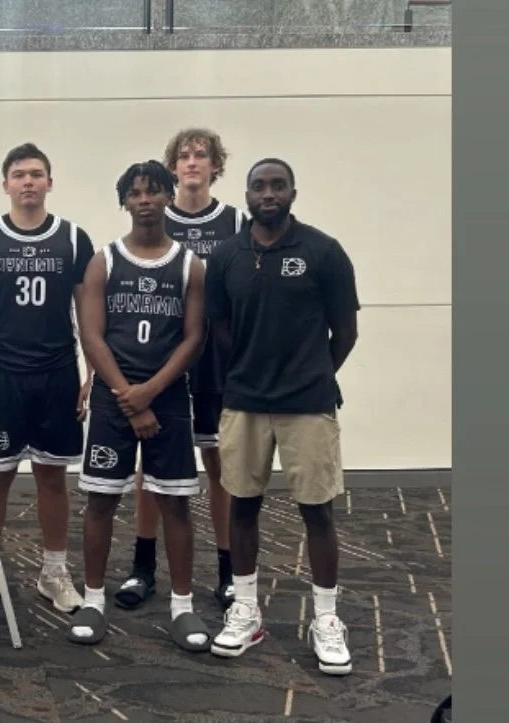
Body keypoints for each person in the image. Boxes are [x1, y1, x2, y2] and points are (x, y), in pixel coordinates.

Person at [204, 158, 359, 675]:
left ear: (293, 191)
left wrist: (311, 373)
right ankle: (245, 609)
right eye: (259, 186)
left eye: (277, 185)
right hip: (244, 401)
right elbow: (221, 329)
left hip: (308, 405)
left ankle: (327, 619)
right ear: (245, 194)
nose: (268, 193)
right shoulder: (226, 255)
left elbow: (346, 331)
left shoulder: (324, 251)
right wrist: (254, 371)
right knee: (241, 507)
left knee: (317, 512)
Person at [69, 160, 209, 651]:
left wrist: (149, 393)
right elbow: (91, 335)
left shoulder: (190, 264)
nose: (145, 199)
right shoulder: (103, 260)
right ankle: (92, 599)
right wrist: (129, 396)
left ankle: (183, 607)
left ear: (170, 196)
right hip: (113, 400)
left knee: (175, 503)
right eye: (136, 192)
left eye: (154, 191)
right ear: (124, 201)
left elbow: (194, 339)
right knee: (101, 500)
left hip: (167, 400)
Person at [116, 129, 248, 611]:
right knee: (151, 467)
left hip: (216, 361)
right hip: (158, 360)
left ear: (216, 166)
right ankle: (143, 567)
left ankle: (229, 571)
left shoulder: (236, 220)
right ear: (172, 168)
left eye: (202, 155)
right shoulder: (151, 214)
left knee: (220, 466)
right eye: (185, 155)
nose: (193, 162)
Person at [0, 143, 94, 614]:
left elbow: (88, 315)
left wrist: (93, 375)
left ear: (49, 183)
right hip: (0, 375)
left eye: (36, 174)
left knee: (52, 478)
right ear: (5, 184)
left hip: (57, 373)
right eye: (19, 174)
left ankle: (54, 571)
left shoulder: (73, 238)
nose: (28, 182)